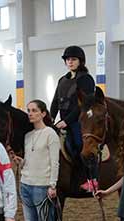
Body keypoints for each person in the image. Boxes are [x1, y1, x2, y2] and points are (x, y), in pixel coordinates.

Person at [13, 100, 61, 221]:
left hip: (42, 186)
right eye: (28, 111)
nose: (30, 114)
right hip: (26, 184)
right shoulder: (27, 136)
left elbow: (54, 162)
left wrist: (53, 185)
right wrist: (21, 161)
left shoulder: (51, 134)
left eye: (34, 111)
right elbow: (30, 159)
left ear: (43, 113)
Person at [50, 45, 96, 192]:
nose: (70, 62)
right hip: (63, 121)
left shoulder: (86, 79)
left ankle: (92, 179)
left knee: (79, 145)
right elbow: (56, 101)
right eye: (68, 59)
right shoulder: (62, 80)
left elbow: (83, 105)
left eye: (73, 59)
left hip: (80, 121)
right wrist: (50, 118)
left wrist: (66, 121)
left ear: (80, 61)